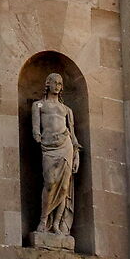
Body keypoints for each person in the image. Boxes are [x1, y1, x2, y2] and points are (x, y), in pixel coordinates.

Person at [31, 71, 80, 238]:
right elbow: (36, 128)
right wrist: (37, 135)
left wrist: (76, 154)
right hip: (49, 147)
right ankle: (43, 221)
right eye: (55, 83)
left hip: (65, 145)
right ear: (48, 84)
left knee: (65, 187)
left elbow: (72, 134)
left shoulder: (66, 110)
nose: (58, 86)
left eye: (60, 84)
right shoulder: (38, 105)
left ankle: (57, 224)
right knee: (50, 183)